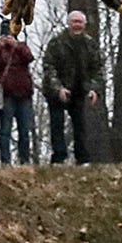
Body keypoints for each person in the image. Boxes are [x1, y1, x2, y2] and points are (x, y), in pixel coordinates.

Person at [42, 11, 104, 164]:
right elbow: (49, 67)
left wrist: (94, 89)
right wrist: (58, 89)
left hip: (78, 90)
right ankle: (58, 158)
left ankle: (82, 159)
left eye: (80, 22)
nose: (77, 25)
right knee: (57, 125)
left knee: (80, 125)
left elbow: (98, 69)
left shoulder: (90, 44)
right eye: (74, 21)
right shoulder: (56, 42)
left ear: (84, 25)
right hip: (56, 91)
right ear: (69, 23)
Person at [0, 26, 36, 164]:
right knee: (5, 130)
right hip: (6, 95)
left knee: (24, 130)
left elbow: (29, 58)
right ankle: (5, 161)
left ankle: (24, 160)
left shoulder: (21, 47)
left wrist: (16, 46)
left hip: (24, 94)